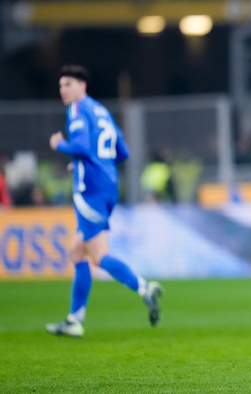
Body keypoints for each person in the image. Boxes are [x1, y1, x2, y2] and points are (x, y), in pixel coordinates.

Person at [46, 65, 162, 338]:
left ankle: (144, 288)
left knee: (98, 257)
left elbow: (83, 146)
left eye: (68, 84)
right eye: (61, 85)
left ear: (82, 86)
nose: (64, 90)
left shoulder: (77, 109)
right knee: (77, 251)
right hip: (108, 187)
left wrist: (59, 145)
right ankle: (74, 320)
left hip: (90, 191)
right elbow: (122, 151)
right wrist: (90, 163)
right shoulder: (102, 111)